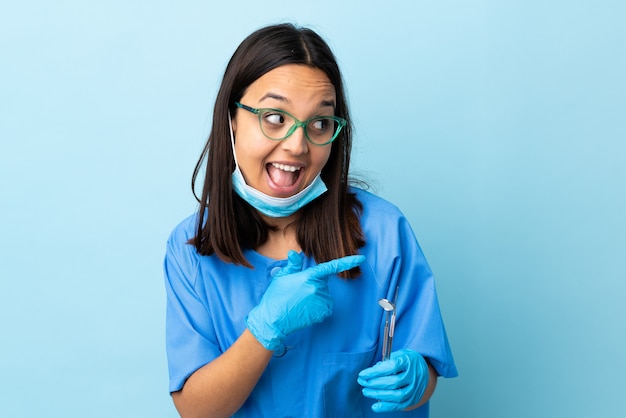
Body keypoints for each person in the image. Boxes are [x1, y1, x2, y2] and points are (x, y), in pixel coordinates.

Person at [164, 23, 458, 418]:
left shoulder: (384, 232)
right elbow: (197, 411)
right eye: (274, 117)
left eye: (320, 123)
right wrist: (264, 331)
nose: (298, 144)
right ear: (232, 118)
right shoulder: (191, 249)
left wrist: (415, 379)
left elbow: (424, 367)